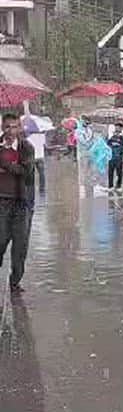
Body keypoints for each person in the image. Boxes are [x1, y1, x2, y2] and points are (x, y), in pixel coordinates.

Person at [0, 113, 35, 291]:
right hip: (2, 203)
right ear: (2, 128)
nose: (11, 131)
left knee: (20, 246)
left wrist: (5, 164)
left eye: (14, 127)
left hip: (21, 203)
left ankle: (15, 281)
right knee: (1, 241)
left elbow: (26, 171)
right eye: (7, 127)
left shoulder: (26, 148)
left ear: (19, 128)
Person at [106, 124, 123, 190]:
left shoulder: (122, 139)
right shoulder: (110, 139)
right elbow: (107, 147)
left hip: (119, 158)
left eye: (119, 129)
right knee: (110, 172)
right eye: (116, 129)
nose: (117, 131)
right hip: (111, 158)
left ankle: (118, 186)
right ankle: (110, 186)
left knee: (119, 173)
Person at [26, 125, 46, 192]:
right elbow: (45, 145)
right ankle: (42, 188)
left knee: (31, 173)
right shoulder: (42, 137)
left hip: (32, 158)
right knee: (41, 173)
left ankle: (30, 187)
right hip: (40, 157)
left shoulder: (29, 138)